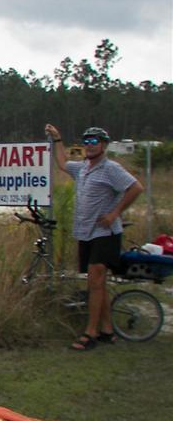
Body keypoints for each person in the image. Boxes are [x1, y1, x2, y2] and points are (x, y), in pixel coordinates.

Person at [44, 124, 143, 350]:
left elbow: (136, 188)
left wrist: (115, 213)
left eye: (94, 141)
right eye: (86, 141)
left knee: (95, 283)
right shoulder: (83, 168)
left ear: (104, 145)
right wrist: (58, 139)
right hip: (85, 232)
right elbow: (62, 163)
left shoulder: (111, 169)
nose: (89, 145)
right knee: (99, 284)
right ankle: (108, 330)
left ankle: (91, 333)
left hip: (105, 233)